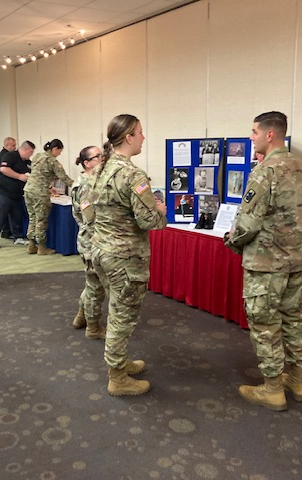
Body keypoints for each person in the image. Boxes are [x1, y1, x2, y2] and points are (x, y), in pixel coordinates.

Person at [224, 111, 302, 411]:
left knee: (264, 323)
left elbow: (248, 224)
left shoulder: (264, 172)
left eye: (253, 132)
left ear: (270, 135)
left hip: (266, 263)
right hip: (296, 261)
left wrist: (232, 241)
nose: (251, 137)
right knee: (293, 318)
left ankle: (273, 388)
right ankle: (298, 380)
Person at [90, 114, 167, 396]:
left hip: (102, 251)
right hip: (125, 257)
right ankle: (117, 378)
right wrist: (161, 211)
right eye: (141, 133)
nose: (144, 138)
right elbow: (150, 221)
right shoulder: (133, 175)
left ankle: (120, 364)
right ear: (129, 137)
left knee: (116, 309)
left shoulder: (102, 168)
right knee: (123, 316)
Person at [70, 146, 105, 340]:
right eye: (98, 156)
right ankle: (93, 327)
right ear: (87, 163)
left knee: (92, 283)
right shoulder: (86, 185)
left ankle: (82, 316)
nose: (102, 158)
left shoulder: (90, 181)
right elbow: (88, 219)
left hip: (90, 239)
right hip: (92, 241)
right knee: (95, 286)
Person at [23, 139, 74, 255]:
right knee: (41, 220)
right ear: (55, 149)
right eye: (59, 152)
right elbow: (64, 178)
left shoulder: (37, 156)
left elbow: (38, 173)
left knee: (32, 218)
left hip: (28, 190)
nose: (59, 154)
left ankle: (31, 245)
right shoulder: (52, 161)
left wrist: (50, 187)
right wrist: (78, 185)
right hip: (40, 193)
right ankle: (41, 247)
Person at [0, 141, 34, 248]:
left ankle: (17, 237)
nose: (31, 155)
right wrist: (19, 176)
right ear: (26, 150)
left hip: (17, 193)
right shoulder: (10, 156)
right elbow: (3, 169)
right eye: (31, 152)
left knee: (17, 214)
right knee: (1, 214)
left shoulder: (27, 161)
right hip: (4, 191)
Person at [0, 137, 17, 239]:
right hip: (3, 189)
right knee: (1, 214)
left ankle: (6, 232)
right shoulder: (5, 155)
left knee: (6, 214)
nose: (15, 147)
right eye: (13, 145)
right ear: (6, 145)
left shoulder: (5, 154)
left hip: (7, 189)